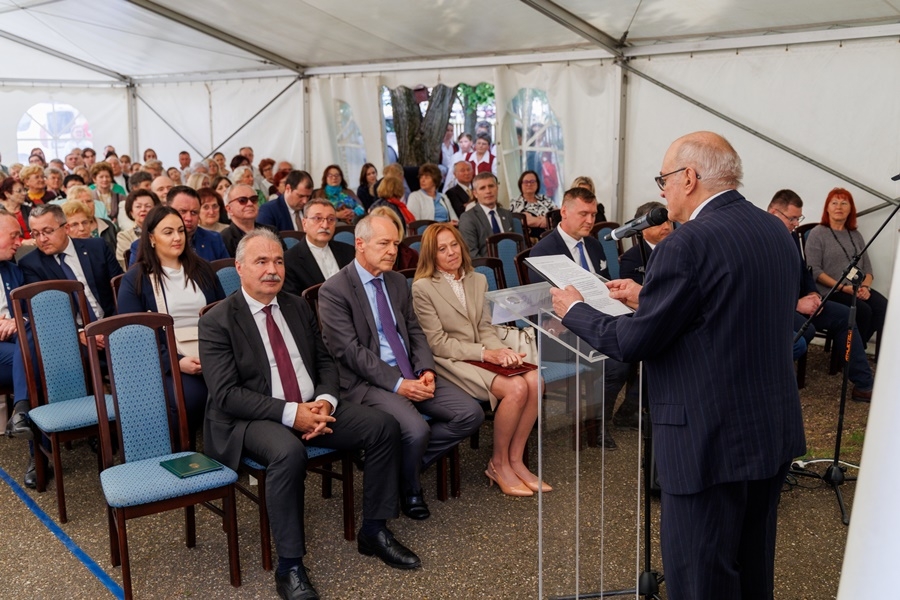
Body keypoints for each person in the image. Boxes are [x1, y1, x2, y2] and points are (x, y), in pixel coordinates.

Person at [549, 131, 805, 600]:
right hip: (770, 429)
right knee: (752, 570)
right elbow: (728, 309)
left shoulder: (686, 244)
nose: (662, 190)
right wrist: (649, 296)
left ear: (689, 177)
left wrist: (575, 310)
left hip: (707, 439)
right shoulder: (775, 230)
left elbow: (633, 341)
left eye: (663, 179)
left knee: (700, 579)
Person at [200, 229, 420, 599]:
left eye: (278, 261)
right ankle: (290, 566)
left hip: (313, 405)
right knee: (288, 452)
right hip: (251, 418)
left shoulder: (297, 305)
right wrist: (293, 414)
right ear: (239, 268)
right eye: (261, 261)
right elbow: (226, 395)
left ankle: (374, 530)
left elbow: (325, 361)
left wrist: (326, 402)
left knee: (383, 426)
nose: (272, 269)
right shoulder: (218, 320)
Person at [318, 215, 483, 521]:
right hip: (367, 382)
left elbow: (414, 330)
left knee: (470, 414)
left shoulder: (396, 281)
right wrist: (399, 385)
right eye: (384, 244)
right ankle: (410, 488)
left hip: (410, 371)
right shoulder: (334, 290)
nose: (393, 251)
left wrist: (425, 369)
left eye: (395, 243)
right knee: (417, 430)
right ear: (360, 244)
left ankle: (395, 468)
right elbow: (349, 351)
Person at [412, 223, 546, 497]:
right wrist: (487, 354)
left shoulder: (478, 279)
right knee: (516, 388)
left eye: (454, 244)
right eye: (442, 249)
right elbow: (437, 343)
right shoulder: (422, 288)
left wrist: (503, 353)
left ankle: (516, 461)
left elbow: (485, 328)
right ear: (431, 255)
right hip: (450, 361)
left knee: (536, 380)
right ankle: (498, 464)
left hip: (481, 351)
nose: (451, 252)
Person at [530, 187, 639, 445]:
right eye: (583, 214)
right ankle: (597, 425)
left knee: (641, 342)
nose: (590, 220)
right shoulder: (544, 251)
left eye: (593, 214)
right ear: (564, 212)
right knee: (618, 361)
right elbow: (545, 304)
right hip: (564, 330)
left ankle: (619, 413)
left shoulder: (593, 245)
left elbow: (604, 284)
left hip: (601, 320)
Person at [118, 205, 224, 438]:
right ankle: (182, 451)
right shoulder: (136, 279)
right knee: (193, 397)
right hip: (166, 360)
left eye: (180, 231)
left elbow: (222, 315)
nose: (177, 238)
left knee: (241, 388)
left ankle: (232, 448)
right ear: (151, 238)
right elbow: (134, 336)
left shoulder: (203, 269)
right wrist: (176, 362)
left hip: (212, 354)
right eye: (168, 232)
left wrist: (217, 355)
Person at [768, 189, 875, 401]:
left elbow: (805, 271)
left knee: (846, 315)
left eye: (798, 218)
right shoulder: (759, 239)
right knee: (806, 330)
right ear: (773, 213)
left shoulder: (790, 235)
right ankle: (777, 384)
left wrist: (813, 294)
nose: (796, 224)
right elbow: (762, 285)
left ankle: (863, 385)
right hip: (778, 305)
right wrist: (795, 304)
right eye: (792, 218)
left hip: (803, 300)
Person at [805, 187, 888, 349]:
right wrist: (843, 288)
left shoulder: (855, 235)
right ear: (827, 208)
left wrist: (865, 287)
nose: (839, 207)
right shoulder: (817, 233)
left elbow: (868, 268)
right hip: (831, 290)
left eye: (844, 203)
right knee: (863, 311)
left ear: (851, 209)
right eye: (834, 203)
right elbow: (815, 271)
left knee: (883, 307)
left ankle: (855, 349)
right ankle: (852, 352)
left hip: (857, 288)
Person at [21, 204, 123, 322]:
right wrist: (78, 331)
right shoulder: (31, 264)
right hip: (70, 329)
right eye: (36, 234)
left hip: (111, 320)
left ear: (66, 228)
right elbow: (47, 311)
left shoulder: (97, 247)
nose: (42, 239)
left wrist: (117, 321)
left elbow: (120, 286)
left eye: (48, 231)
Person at [0, 210, 40, 488]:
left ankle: (22, 412)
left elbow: (29, 311)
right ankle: (39, 455)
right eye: (14, 235)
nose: (19, 242)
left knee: (32, 355)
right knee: (35, 365)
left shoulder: (14, 271)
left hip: (15, 345)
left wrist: (18, 320)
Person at [128, 186, 229, 265]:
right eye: (182, 211)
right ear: (167, 210)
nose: (189, 218)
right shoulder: (142, 246)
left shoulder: (214, 240)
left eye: (194, 212)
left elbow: (227, 278)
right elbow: (137, 283)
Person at [283, 199, 355, 296]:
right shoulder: (289, 260)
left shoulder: (349, 251)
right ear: (304, 223)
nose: (325, 225)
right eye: (317, 218)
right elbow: (293, 300)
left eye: (331, 219)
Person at [457, 173, 514, 258]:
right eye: (482, 188)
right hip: (486, 265)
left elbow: (518, 244)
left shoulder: (507, 214)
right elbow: (471, 253)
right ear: (475, 193)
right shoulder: (468, 218)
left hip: (512, 262)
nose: (488, 191)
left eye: (491, 186)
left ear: (497, 188)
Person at [618, 201, 673, 285]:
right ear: (642, 228)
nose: (667, 227)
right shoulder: (631, 260)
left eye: (669, 221)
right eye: (659, 223)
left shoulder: (681, 248)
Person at [220, 184, 281, 257]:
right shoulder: (223, 239)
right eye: (242, 200)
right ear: (229, 209)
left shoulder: (272, 231)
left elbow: (284, 260)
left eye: (253, 199)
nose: (250, 203)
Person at [116, 189, 160, 270]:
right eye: (138, 206)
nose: (143, 209)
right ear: (131, 213)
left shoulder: (164, 232)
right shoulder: (124, 236)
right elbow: (127, 266)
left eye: (148, 206)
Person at [509, 170, 556, 237]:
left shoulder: (544, 199)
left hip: (552, 235)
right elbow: (521, 221)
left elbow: (557, 215)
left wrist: (535, 221)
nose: (529, 184)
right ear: (520, 184)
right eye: (526, 182)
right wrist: (544, 221)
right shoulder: (515, 202)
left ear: (537, 184)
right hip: (530, 238)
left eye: (532, 181)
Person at [0, 178, 33, 242]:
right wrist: (22, 241)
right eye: (19, 191)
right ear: (7, 194)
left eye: (24, 190)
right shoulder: (1, 214)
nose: (24, 193)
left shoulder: (29, 210)